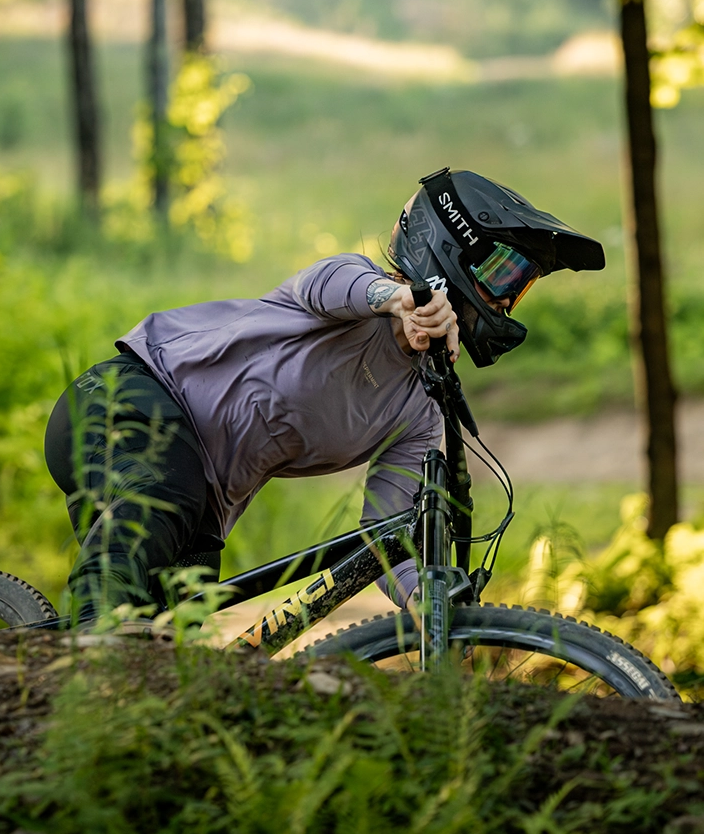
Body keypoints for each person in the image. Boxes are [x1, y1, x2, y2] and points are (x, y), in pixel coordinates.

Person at [44, 167, 604, 622]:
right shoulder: (355, 293)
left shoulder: (420, 411)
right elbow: (330, 283)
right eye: (503, 275)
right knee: (142, 544)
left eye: (519, 288)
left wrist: (425, 600)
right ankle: (83, 673)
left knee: (172, 641)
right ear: (450, 252)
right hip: (130, 401)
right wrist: (397, 299)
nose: (507, 300)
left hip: (204, 506)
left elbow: (386, 533)